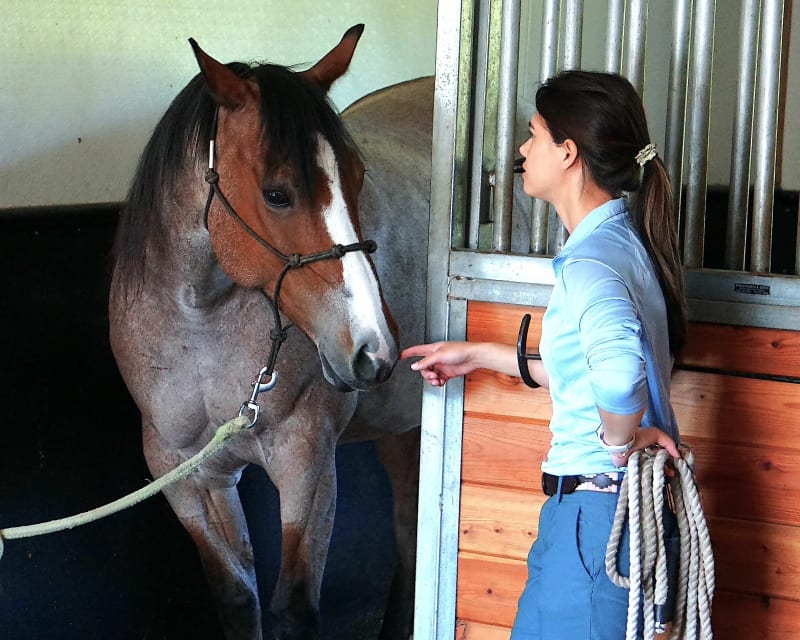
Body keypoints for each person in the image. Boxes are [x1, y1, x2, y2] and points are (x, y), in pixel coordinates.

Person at [401, 70, 688, 639]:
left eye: (533, 135)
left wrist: (620, 441)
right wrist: (480, 353)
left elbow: (620, 372)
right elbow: (589, 371)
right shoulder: (620, 243)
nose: (524, 150)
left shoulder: (590, 264)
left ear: (567, 152)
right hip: (603, 518)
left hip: (595, 517)